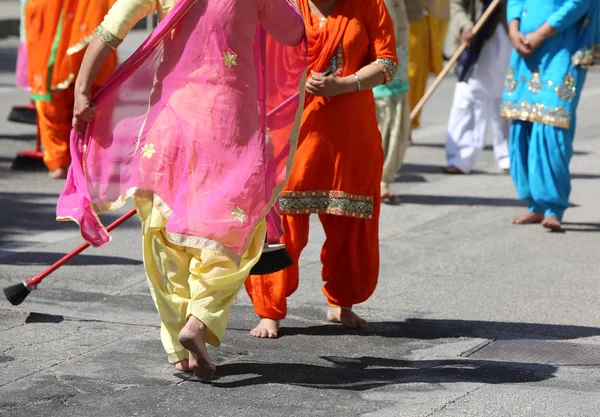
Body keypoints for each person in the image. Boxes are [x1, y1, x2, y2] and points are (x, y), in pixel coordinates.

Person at [60, 0, 307, 377]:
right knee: (234, 229)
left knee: (165, 232)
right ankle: (199, 320)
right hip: (229, 121)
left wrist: (80, 93)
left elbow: (109, 32)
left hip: (170, 124)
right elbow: (293, 32)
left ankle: (177, 344)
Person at [245, 0, 398, 339]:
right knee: (280, 223)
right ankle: (269, 309)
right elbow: (255, 56)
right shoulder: (282, 5)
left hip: (351, 134)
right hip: (292, 132)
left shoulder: (369, 6)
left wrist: (344, 85)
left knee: (349, 223)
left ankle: (342, 302)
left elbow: (387, 64)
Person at [501, 0, 599, 230]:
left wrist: (540, 34)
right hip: (525, 48)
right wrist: (513, 29)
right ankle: (534, 205)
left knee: (552, 122)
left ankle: (553, 206)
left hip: (563, 47)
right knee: (522, 120)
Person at [25, 0, 118, 179]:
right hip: (57, 21)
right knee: (55, 98)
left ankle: (73, 160)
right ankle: (76, 160)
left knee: (94, 97)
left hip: (84, 17)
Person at [443, 0, 511, 174]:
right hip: (478, 38)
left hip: (509, 35)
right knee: (470, 94)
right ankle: (460, 157)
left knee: (506, 95)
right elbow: (457, 6)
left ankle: (510, 155)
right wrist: (465, 27)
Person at [374, 0, 410, 201]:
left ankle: (383, 180)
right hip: (378, 59)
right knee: (382, 120)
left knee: (396, 121)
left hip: (398, 54)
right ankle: (377, 180)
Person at [408, 0, 450, 130]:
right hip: (406, 24)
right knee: (409, 75)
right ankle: (404, 123)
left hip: (426, 20)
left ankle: (410, 122)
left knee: (420, 75)